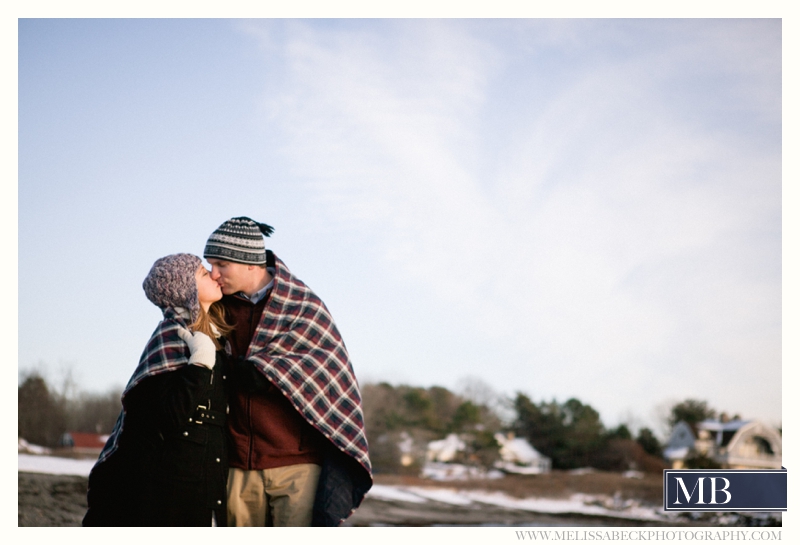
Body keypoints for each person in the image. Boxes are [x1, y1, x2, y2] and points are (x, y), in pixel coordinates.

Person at [203, 217, 372, 526]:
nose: (213, 273)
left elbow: (326, 371)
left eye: (221, 264)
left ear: (251, 263)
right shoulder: (214, 307)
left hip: (297, 465)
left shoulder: (304, 306)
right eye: (210, 263)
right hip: (236, 465)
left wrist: (268, 374)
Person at [83, 253, 232, 526]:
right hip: (171, 498)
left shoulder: (217, 341)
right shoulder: (171, 340)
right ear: (186, 290)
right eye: (202, 273)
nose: (212, 274)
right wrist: (199, 365)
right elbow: (171, 418)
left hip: (209, 491)